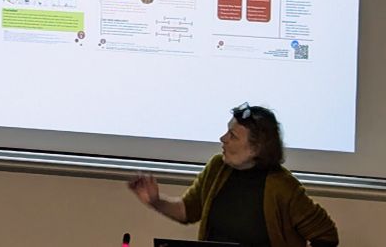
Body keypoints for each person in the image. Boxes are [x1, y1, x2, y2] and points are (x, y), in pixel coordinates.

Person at [128, 103, 338, 247]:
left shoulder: (282, 187)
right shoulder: (217, 167)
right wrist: (156, 201)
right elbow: (188, 210)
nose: (223, 138)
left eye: (233, 136)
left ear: (257, 148)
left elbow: (326, 235)